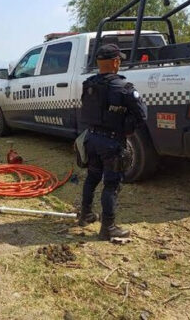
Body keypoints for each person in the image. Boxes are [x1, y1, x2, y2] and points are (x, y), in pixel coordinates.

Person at [77, 44, 148, 240]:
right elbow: (142, 115)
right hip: (111, 142)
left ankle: (86, 215)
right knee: (111, 184)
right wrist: (126, 127)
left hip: (90, 138)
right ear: (116, 62)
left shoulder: (88, 84)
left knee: (92, 176)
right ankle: (108, 228)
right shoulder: (123, 88)